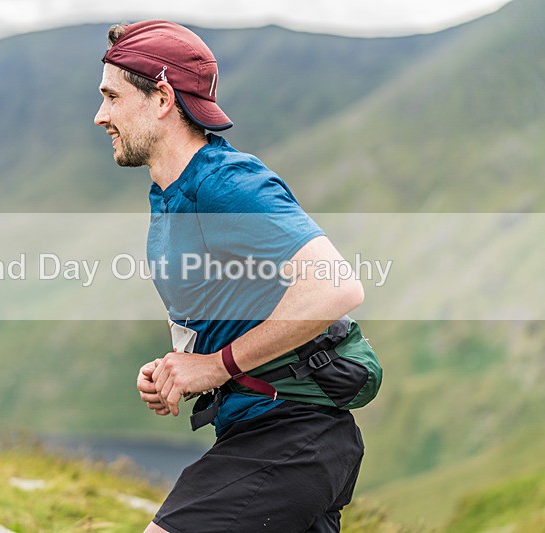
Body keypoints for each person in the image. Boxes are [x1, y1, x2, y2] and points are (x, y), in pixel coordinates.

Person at [94, 20, 366, 533]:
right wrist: (180, 368)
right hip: (269, 433)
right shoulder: (173, 193)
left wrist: (217, 366)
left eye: (111, 97)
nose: (100, 115)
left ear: (162, 98)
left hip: (291, 438)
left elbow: (337, 285)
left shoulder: (225, 184)